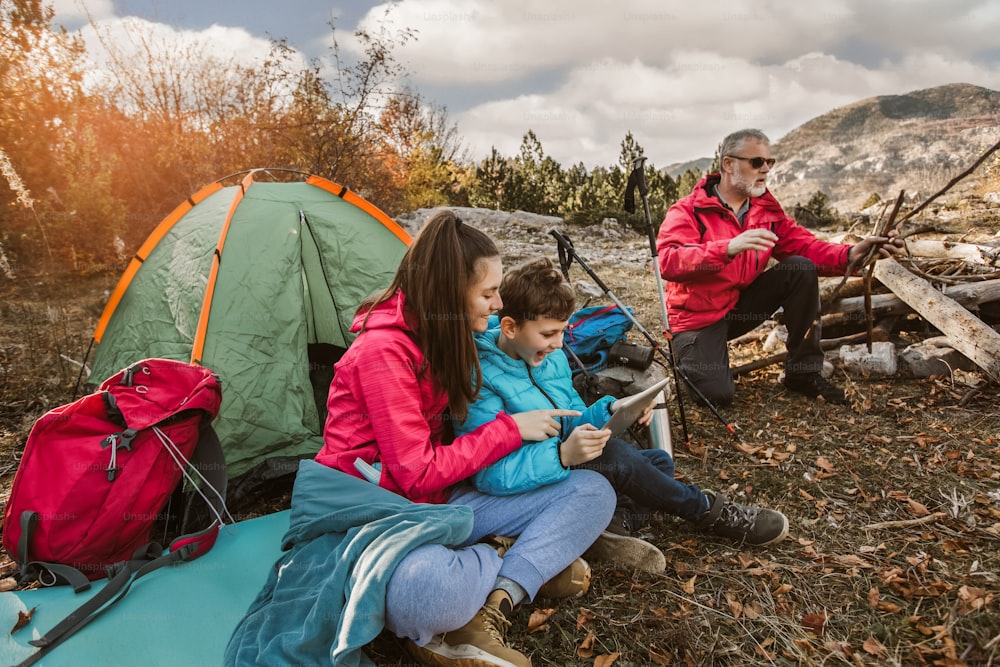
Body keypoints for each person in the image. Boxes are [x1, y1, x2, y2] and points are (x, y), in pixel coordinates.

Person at [314, 210, 617, 667]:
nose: (497, 306)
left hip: (441, 505)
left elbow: (515, 350)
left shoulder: (444, 336)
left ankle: (499, 594)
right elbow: (415, 475)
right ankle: (512, 556)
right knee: (430, 594)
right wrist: (511, 430)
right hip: (381, 518)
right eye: (488, 293)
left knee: (592, 491)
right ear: (449, 293)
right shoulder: (382, 354)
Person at [455, 257, 790, 569]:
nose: (559, 344)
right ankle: (706, 510)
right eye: (548, 334)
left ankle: (613, 529)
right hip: (530, 487)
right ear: (511, 328)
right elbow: (488, 474)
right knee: (619, 456)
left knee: (657, 461)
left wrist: (614, 410)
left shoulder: (550, 358)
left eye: (562, 331)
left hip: (567, 465)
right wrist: (561, 455)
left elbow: (573, 418)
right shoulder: (480, 377)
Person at [657, 128, 902, 407]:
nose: (765, 169)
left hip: (738, 308)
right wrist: (727, 248)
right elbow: (668, 261)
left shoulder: (765, 211)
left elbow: (805, 246)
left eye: (769, 162)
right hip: (697, 320)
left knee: (799, 268)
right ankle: (692, 357)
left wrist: (851, 255)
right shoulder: (688, 211)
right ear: (728, 164)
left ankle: (803, 374)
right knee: (716, 396)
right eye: (756, 162)